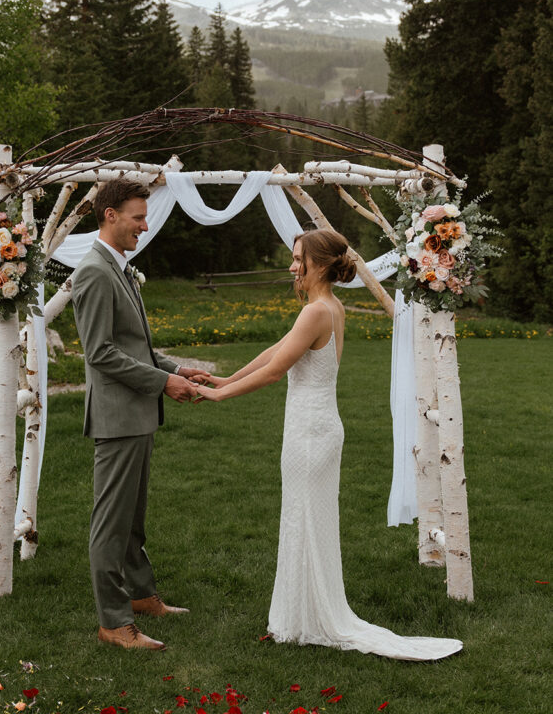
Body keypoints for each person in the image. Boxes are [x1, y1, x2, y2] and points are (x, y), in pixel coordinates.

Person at [195, 229, 463, 661]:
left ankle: (307, 617)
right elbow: (275, 350)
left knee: (304, 519)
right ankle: (301, 615)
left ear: (319, 263)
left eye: (297, 258)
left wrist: (217, 396)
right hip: (317, 429)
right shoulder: (329, 308)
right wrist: (225, 378)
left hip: (310, 433)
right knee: (304, 519)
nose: (291, 266)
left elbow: (273, 371)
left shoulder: (317, 312)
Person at [72, 180, 201, 652]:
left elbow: (134, 343)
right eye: (137, 217)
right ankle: (113, 621)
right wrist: (164, 383)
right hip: (117, 416)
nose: (145, 227)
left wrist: (175, 367)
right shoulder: (93, 272)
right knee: (111, 523)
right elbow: (100, 353)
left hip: (139, 413)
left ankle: (143, 596)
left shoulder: (121, 269)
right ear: (109, 215)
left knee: (133, 519)